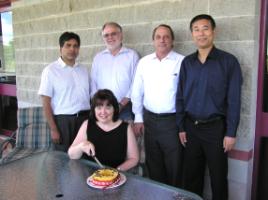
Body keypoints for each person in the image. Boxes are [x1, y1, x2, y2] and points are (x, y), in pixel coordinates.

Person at [176, 14, 242, 199]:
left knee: (218, 177)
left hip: (216, 130)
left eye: (205, 28)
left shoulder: (228, 62)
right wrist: (181, 126)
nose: (201, 33)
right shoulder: (187, 63)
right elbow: (180, 96)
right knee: (192, 177)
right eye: (196, 29)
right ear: (192, 34)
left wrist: (231, 132)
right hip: (191, 128)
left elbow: (234, 100)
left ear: (213, 31)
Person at [131, 24, 184, 187]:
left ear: (172, 40)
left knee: (175, 164)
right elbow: (136, 91)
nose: (162, 40)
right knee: (153, 164)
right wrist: (138, 118)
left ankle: (176, 197)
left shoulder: (182, 62)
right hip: (150, 120)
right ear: (153, 40)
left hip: (172, 122)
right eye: (158, 37)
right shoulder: (144, 62)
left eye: (166, 36)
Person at [38, 32, 91, 152]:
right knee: (63, 158)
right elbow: (46, 103)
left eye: (76, 46)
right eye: (68, 45)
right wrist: (53, 129)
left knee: (83, 155)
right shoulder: (50, 71)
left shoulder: (83, 70)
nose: (72, 49)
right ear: (60, 48)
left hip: (84, 120)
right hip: (63, 123)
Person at [68, 89, 139, 171]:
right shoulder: (87, 124)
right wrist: (80, 147)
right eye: (99, 107)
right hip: (89, 175)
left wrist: (115, 172)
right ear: (94, 110)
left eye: (108, 107)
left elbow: (134, 158)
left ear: (114, 109)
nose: (103, 112)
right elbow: (72, 155)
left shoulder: (126, 128)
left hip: (116, 176)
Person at [91, 22, 139, 121]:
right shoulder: (98, 58)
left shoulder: (132, 56)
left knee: (125, 136)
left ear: (121, 35)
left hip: (125, 108)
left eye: (113, 34)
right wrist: (100, 105)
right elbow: (93, 83)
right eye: (106, 35)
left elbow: (136, 83)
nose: (110, 37)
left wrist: (121, 104)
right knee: (103, 136)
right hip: (102, 110)